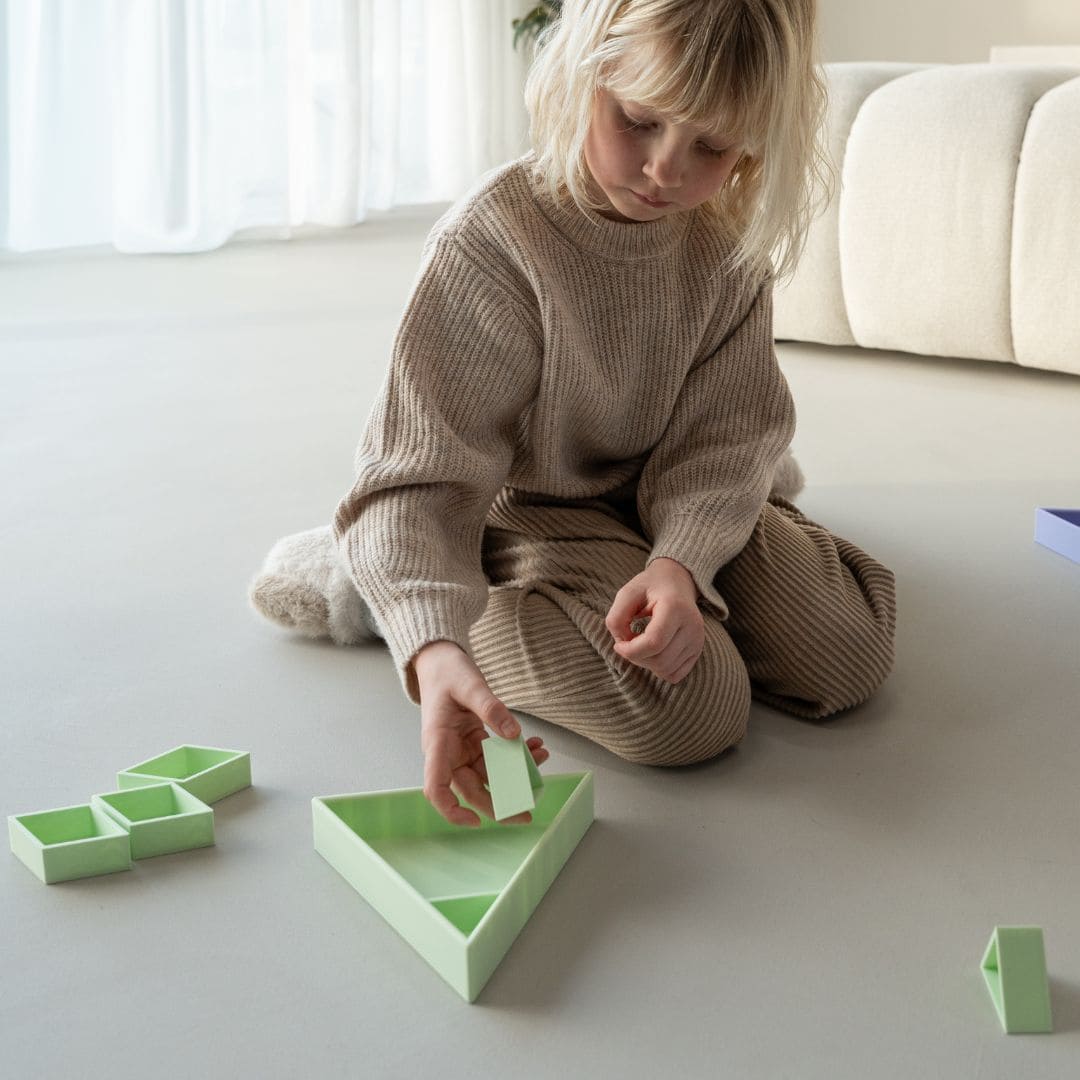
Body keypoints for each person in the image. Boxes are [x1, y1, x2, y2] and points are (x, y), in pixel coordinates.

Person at [250, 0, 896, 828]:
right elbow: (425, 470)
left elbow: (730, 434)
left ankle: (579, 570)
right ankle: (394, 594)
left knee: (846, 654)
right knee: (692, 711)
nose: (665, 169)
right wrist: (436, 644)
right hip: (540, 506)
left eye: (711, 145)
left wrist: (682, 565)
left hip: (669, 487)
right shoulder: (493, 244)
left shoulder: (724, 240)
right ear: (582, 71)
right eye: (637, 120)